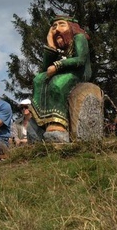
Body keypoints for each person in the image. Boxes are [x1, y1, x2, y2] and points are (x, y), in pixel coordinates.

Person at [30, 15, 91, 143]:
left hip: (79, 73)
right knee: (38, 79)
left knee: (57, 84)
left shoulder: (79, 38)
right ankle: (40, 122)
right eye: (54, 27)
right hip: (64, 71)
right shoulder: (61, 44)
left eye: (62, 25)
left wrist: (58, 65)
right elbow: (45, 68)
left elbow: (80, 60)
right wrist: (50, 43)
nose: (57, 29)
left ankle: (58, 125)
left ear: (71, 27)